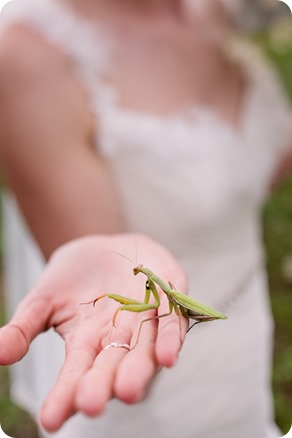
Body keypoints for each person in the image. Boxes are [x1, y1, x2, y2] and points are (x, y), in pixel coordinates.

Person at [0, 0, 291, 437]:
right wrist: (113, 295)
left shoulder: (229, 11)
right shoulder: (29, 59)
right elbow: (134, 328)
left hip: (247, 344)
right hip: (159, 405)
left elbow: (241, 178)